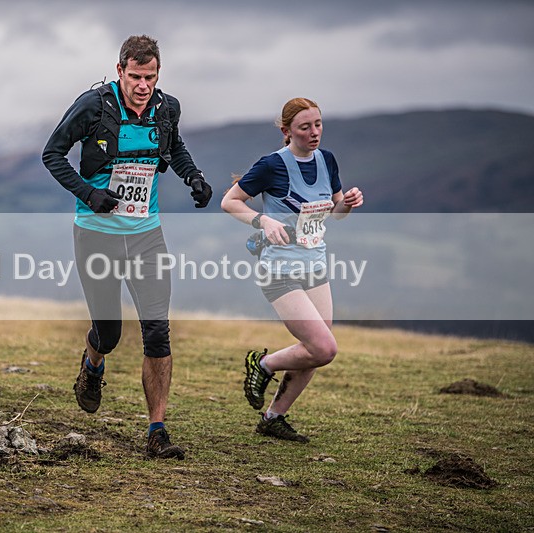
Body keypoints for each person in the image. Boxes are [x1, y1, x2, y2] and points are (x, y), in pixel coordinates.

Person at [42, 35, 212, 459]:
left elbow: (174, 149)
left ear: (158, 74)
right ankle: (92, 365)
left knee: (157, 331)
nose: (143, 85)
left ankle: (157, 431)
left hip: (145, 234)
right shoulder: (93, 106)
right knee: (110, 333)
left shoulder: (165, 108)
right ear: (119, 71)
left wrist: (193, 177)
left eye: (150, 77)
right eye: (135, 76)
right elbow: (53, 154)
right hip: (96, 233)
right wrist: (88, 194)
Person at [220, 97, 363, 442]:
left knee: (316, 352)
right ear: (287, 131)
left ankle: (273, 417)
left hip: (316, 265)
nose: (314, 133)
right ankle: (263, 365)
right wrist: (262, 219)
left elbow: (335, 212)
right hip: (279, 268)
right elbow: (229, 201)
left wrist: (348, 203)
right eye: (305, 127)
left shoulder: (327, 160)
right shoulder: (272, 165)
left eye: (318, 124)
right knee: (324, 348)